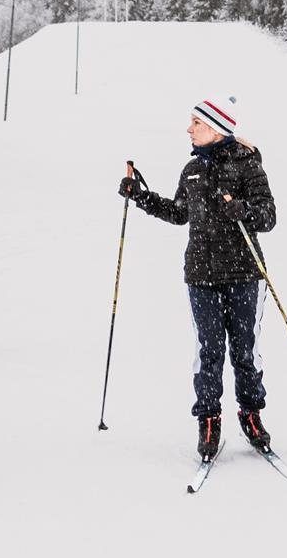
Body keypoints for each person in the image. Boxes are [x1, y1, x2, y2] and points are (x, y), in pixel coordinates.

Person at [118, 95, 277, 460]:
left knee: (244, 351)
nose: (188, 129)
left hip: (243, 273)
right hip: (201, 275)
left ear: (216, 128)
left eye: (196, 123)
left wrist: (243, 210)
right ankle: (208, 420)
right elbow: (178, 213)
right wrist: (141, 197)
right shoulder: (191, 169)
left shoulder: (247, 166)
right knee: (209, 352)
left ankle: (251, 415)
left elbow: (268, 215)